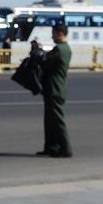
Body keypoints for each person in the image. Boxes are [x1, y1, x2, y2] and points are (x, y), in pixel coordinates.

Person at [37, 24, 73, 158]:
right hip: (55, 88)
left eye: (53, 34)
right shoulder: (65, 48)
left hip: (54, 88)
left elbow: (46, 63)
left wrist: (37, 53)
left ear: (60, 33)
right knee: (49, 120)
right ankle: (51, 147)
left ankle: (66, 149)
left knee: (57, 121)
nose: (52, 37)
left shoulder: (59, 49)